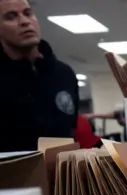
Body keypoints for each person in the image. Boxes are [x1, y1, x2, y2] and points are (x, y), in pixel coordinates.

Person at [0, 0, 79, 152]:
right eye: (11, 17)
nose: (24, 21)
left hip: (61, 173)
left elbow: (70, 130)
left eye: (28, 13)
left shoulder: (64, 74)